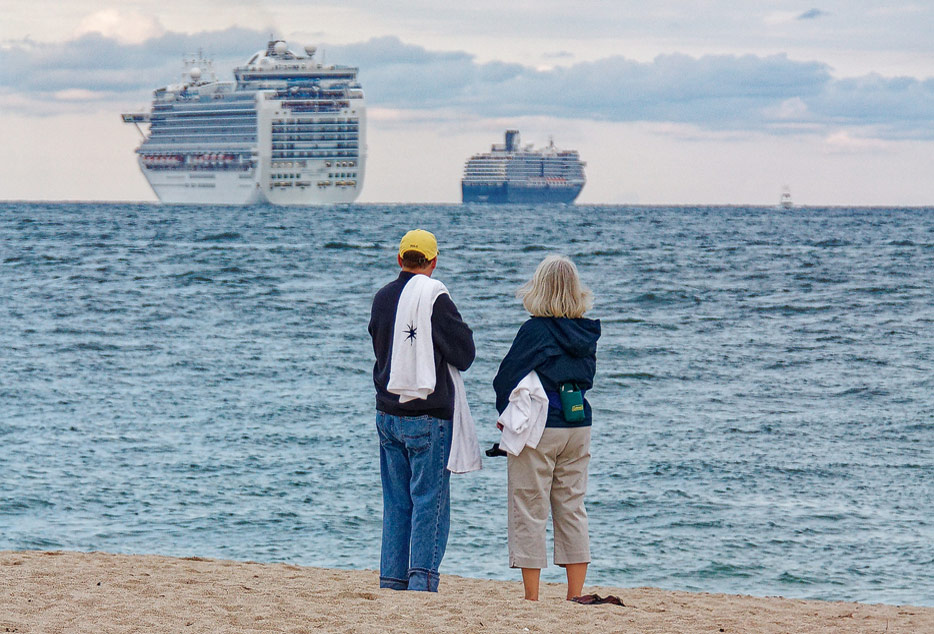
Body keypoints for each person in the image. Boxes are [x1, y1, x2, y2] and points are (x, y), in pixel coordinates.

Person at [368, 229, 476, 592]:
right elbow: (464, 354)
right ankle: (421, 582)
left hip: (387, 411)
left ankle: (392, 580)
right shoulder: (435, 297)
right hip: (429, 413)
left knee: (396, 502)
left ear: (400, 259)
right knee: (429, 502)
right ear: (433, 262)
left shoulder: (382, 298)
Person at [492, 254, 600, 601]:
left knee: (529, 506)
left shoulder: (534, 330)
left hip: (540, 426)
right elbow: (588, 377)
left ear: (539, 287)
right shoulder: (586, 331)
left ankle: (532, 597)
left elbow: (505, 377)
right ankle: (575, 593)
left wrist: (506, 413)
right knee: (572, 506)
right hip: (578, 422)